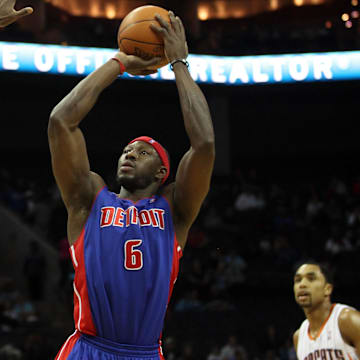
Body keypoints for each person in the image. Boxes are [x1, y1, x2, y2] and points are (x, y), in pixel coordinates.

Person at [48, 10, 215, 360]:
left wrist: (179, 63)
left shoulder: (175, 209)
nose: (129, 153)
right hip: (88, 348)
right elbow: (61, 122)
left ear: (162, 174)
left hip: (143, 352)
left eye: (142, 152)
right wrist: (118, 63)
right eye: (127, 150)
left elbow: (204, 145)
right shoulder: (88, 198)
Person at [293, 262, 360, 360]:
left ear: (327, 289)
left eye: (311, 279)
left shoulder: (347, 319)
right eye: (298, 280)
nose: (302, 284)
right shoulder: (298, 337)